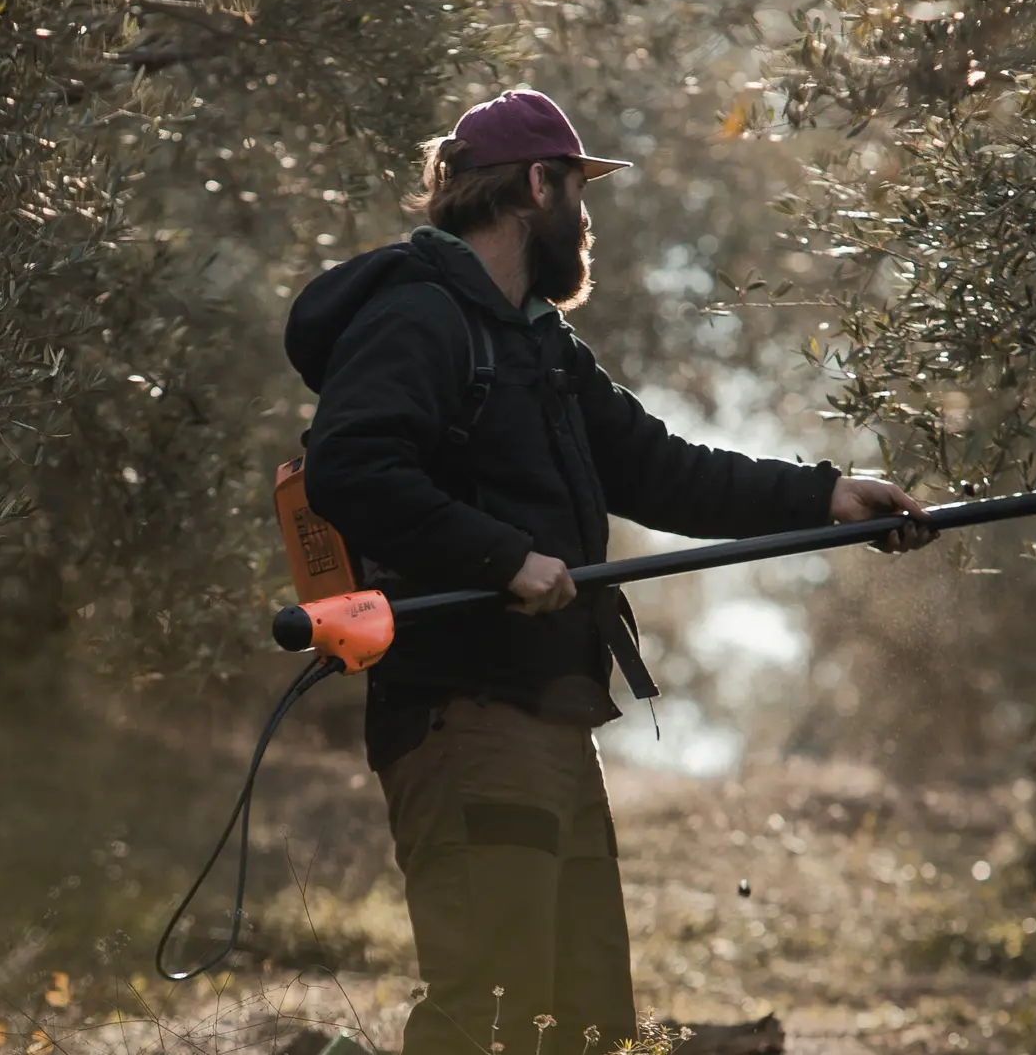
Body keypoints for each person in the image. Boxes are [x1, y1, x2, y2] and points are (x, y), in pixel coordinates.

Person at [282, 89, 937, 1055]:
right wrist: (504, 560)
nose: (586, 219)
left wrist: (827, 496)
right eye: (579, 191)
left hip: (549, 717)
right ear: (536, 186)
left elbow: (662, 469)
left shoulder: (541, 348)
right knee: (492, 1013)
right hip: (463, 717)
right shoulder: (419, 319)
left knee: (581, 1024)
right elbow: (352, 467)